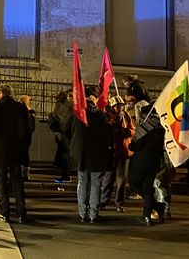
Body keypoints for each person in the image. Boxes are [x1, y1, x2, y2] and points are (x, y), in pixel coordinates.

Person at [0, 84, 30, 223]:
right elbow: (26, 130)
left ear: (2, 93)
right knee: (17, 181)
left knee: (1, 180)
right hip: (16, 149)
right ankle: (21, 212)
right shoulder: (20, 108)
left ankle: (4, 212)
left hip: (0, 149)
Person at [69, 89, 113, 223]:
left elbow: (66, 130)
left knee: (82, 183)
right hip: (97, 155)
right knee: (96, 184)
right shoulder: (100, 115)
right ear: (92, 98)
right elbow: (108, 135)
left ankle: (83, 213)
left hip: (81, 155)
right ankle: (93, 214)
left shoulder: (76, 114)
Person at [129, 105, 166, 225]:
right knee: (147, 189)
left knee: (134, 184)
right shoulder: (160, 129)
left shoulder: (143, 128)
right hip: (153, 163)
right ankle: (147, 216)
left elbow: (136, 146)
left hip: (139, 163)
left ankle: (156, 208)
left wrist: (131, 143)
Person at [100, 95, 134, 213]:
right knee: (108, 179)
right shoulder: (108, 117)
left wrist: (128, 131)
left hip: (123, 152)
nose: (119, 108)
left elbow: (133, 130)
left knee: (121, 180)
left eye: (121, 106)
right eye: (117, 106)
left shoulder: (126, 116)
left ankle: (119, 203)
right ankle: (103, 201)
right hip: (111, 151)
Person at [49, 90, 73, 183]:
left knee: (64, 154)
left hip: (61, 132)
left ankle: (65, 176)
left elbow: (56, 116)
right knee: (65, 153)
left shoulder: (60, 104)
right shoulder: (71, 104)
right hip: (67, 132)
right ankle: (66, 175)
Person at [18, 95, 36, 181]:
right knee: (25, 155)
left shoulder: (22, 112)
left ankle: (20, 173)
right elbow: (32, 128)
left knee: (20, 155)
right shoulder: (30, 113)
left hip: (20, 137)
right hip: (26, 137)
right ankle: (25, 174)